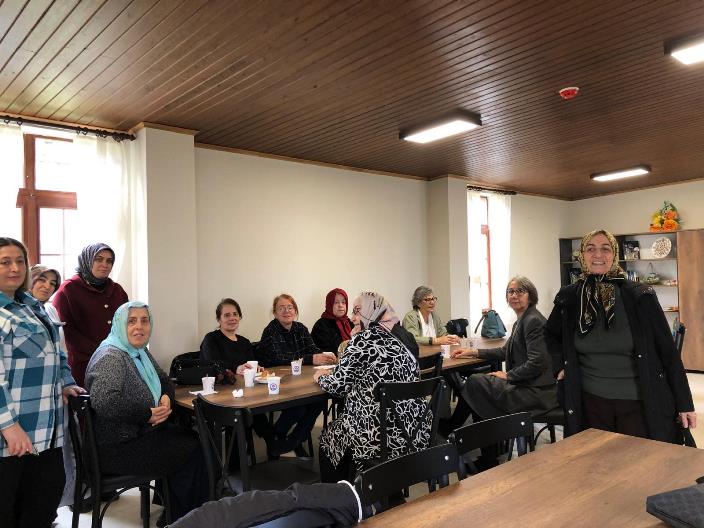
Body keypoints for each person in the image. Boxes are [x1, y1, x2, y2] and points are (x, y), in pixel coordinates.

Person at [545, 229, 697, 442]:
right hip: (588, 402)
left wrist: (684, 403)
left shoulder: (640, 295)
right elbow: (550, 334)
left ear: (615, 254)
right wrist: (559, 365)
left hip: (637, 402)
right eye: (590, 249)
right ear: (582, 255)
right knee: (595, 459)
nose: (598, 255)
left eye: (605, 249)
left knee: (637, 459)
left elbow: (668, 353)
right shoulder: (569, 297)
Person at [85, 301, 208, 525]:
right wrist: (146, 414)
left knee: (188, 438)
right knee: (192, 449)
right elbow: (105, 401)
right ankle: (184, 519)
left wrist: (166, 396)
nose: (139, 327)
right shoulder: (111, 356)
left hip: (137, 435)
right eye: (131, 321)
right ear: (119, 325)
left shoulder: (139, 352)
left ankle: (174, 511)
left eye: (144, 320)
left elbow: (163, 379)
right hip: (116, 447)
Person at [0, 237, 84, 527]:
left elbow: (56, 351)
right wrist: (8, 426)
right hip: (11, 436)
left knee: (43, 505)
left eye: (20, 261)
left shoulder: (30, 306)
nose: (15, 268)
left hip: (46, 430)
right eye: (5, 262)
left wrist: (66, 381)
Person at [315, 292, 430, 482]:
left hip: (378, 438)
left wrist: (320, 377)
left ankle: (341, 494)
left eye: (357, 311)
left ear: (371, 312)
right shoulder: (399, 338)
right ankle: (385, 488)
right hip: (414, 432)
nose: (353, 318)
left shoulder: (361, 341)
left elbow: (337, 387)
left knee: (329, 437)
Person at [444, 277, 558, 448]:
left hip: (536, 393)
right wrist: (473, 352)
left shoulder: (532, 321)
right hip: (528, 387)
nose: (514, 295)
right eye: (510, 291)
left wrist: (508, 375)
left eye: (520, 291)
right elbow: (504, 351)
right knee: (477, 386)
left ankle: (454, 430)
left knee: (475, 383)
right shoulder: (523, 319)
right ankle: (485, 449)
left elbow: (537, 362)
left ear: (531, 296)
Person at [256, 294, 331, 457]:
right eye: (281, 308)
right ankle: (279, 438)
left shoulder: (300, 328)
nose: (286, 311)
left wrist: (325, 356)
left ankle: (291, 440)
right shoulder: (270, 331)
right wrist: (310, 359)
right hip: (277, 384)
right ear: (275, 313)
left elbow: (313, 349)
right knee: (299, 408)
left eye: (290, 307)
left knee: (318, 402)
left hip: (299, 382)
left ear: (295, 311)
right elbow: (279, 358)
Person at [199, 298, 275, 451]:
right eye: (227, 315)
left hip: (245, 393)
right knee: (246, 410)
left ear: (240, 317)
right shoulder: (211, 339)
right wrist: (236, 368)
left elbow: (251, 364)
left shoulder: (244, 342)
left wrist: (257, 368)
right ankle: (270, 443)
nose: (232, 318)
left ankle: (271, 442)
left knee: (254, 406)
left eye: (235, 314)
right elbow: (213, 364)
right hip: (220, 394)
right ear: (219, 319)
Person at [53, 243, 129, 387]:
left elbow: (128, 323)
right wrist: (102, 352)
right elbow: (66, 331)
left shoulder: (117, 290)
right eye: (98, 259)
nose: (105, 264)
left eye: (109, 261)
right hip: (84, 366)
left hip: (118, 363)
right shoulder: (68, 290)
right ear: (87, 260)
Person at [311, 288, 353, 353]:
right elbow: (323, 351)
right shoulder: (321, 325)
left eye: (343, 302)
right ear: (329, 304)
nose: (340, 305)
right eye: (336, 302)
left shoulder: (351, 323)